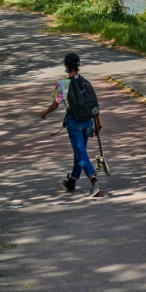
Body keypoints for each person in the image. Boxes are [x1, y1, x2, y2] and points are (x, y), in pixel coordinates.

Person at [40, 53, 103, 197]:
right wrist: (98, 121)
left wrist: (45, 112)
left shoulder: (62, 84)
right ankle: (72, 180)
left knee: (80, 152)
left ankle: (94, 182)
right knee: (80, 151)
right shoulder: (86, 82)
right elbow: (94, 104)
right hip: (88, 122)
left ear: (67, 66)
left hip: (74, 123)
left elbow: (55, 105)